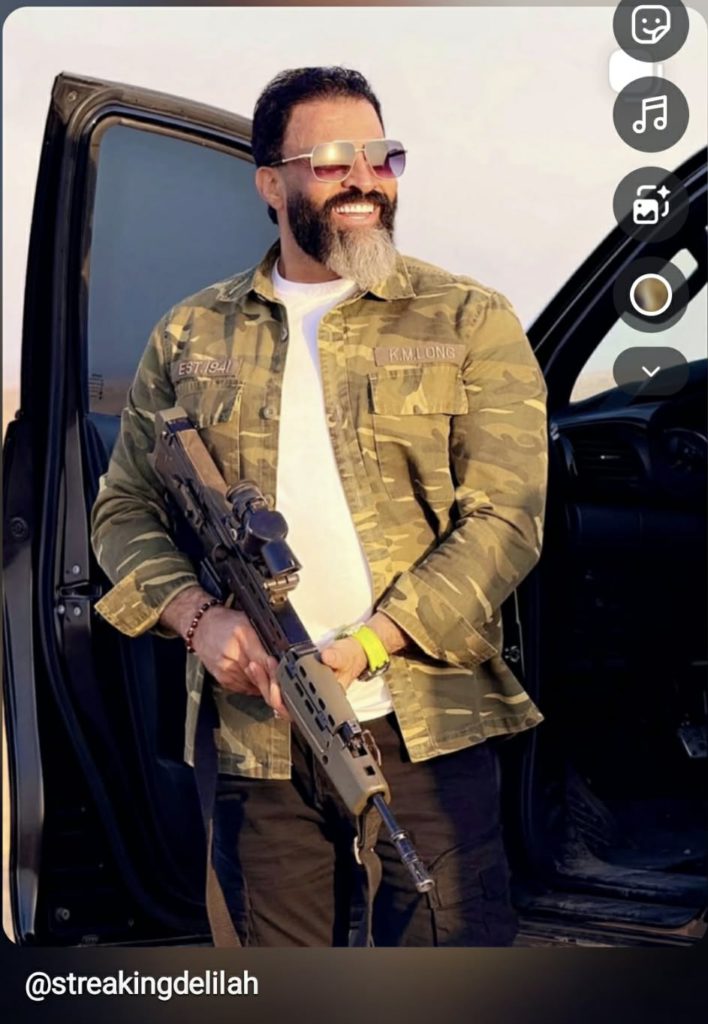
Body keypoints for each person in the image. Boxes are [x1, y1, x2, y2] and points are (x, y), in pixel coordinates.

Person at [91, 66, 548, 948]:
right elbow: (124, 510)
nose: (366, 181)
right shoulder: (192, 333)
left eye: (383, 158)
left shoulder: (466, 319)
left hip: (425, 728)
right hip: (259, 737)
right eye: (335, 162)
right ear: (272, 184)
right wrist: (198, 621)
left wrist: (370, 644)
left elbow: (507, 519)